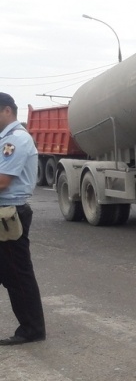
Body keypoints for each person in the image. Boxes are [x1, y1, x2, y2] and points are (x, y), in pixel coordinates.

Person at [0, 92, 45, 345]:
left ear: (7, 110)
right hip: (5, 212)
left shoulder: (15, 140)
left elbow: (3, 181)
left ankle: (32, 329)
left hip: (9, 213)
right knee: (10, 272)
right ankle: (31, 326)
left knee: (17, 274)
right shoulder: (6, 138)